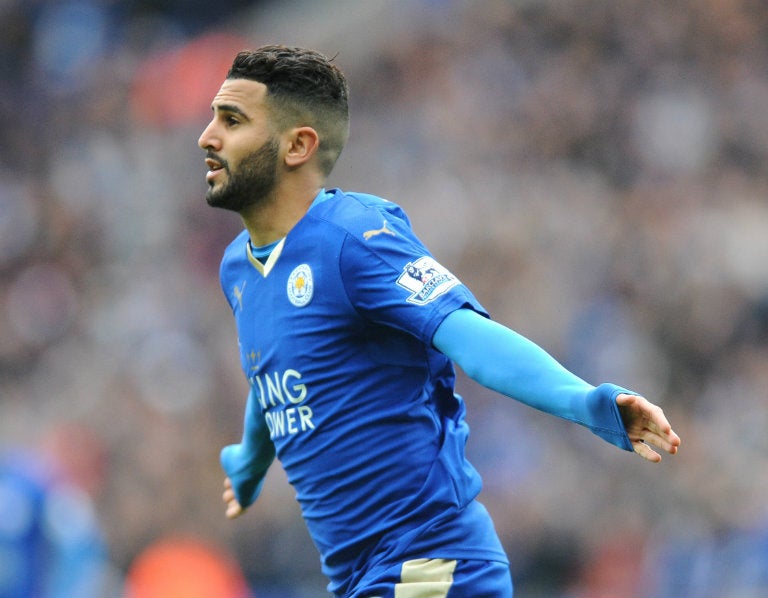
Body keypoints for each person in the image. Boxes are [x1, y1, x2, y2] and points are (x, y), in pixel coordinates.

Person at [197, 45, 681, 598]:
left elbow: (471, 338)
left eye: (231, 121)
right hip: (361, 579)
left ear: (298, 145)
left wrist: (588, 402)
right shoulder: (239, 267)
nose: (207, 136)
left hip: (431, 564)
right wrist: (250, 458)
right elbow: (276, 368)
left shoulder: (353, 238)